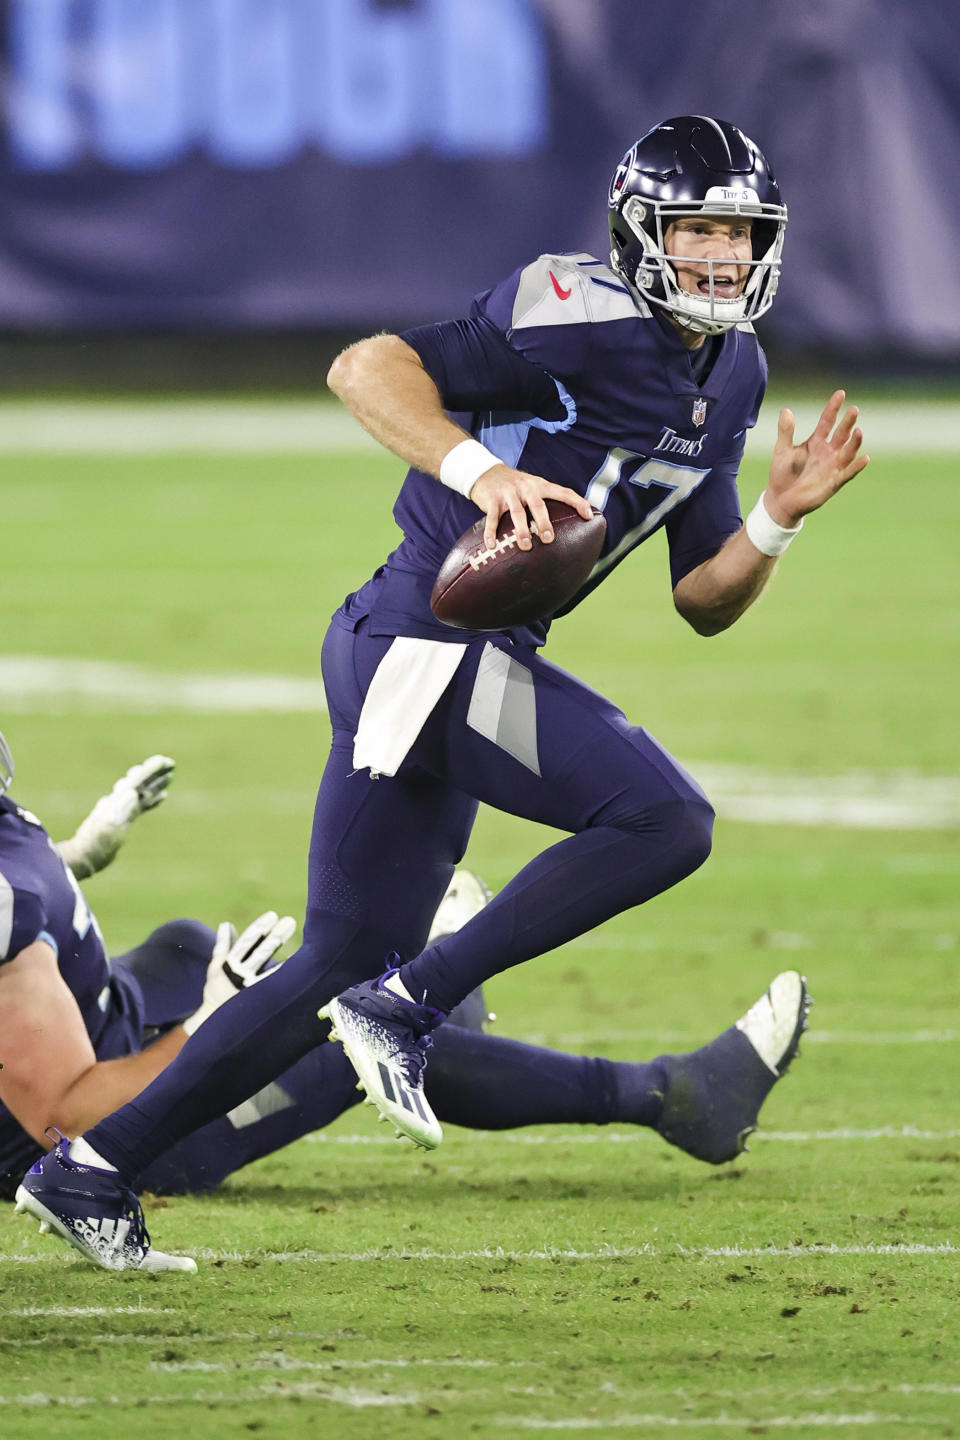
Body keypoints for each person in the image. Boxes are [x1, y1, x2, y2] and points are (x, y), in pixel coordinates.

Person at [15, 115, 852, 1268]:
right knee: (665, 821)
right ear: (642, 231)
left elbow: (701, 596)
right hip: (425, 637)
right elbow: (364, 366)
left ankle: (90, 1169)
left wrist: (776, 519)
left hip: (440, 656)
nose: (720, 258)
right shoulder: (576, 305)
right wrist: (482, 466)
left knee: (333, 959)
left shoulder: (738, 371)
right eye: (698, 230)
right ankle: (410, 1003)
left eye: (739, 235)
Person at [4, 727, 809, 1271]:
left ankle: (417, 981)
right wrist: (210, 1022)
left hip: (106, 1016)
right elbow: (64, 1115)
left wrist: (78, 854)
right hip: (99, 1126)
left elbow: (32, 912)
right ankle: (668, 1096)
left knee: (192, 943)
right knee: (336, 1038)